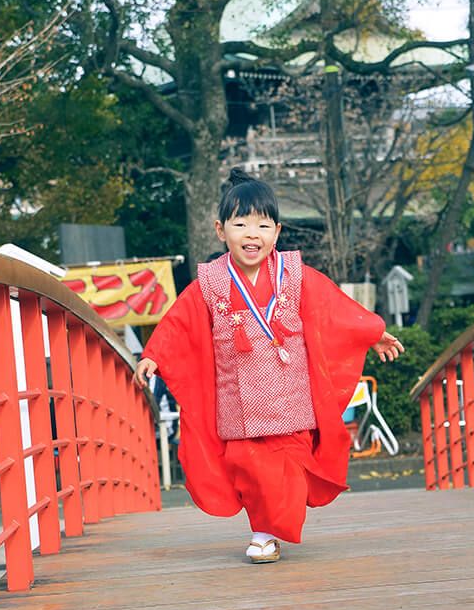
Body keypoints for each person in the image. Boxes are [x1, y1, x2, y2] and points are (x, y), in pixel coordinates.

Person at [134, 168, 404, 563]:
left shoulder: (294, 274)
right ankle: (264, 529)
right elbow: (181, 321)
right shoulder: (209, 282)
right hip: (240, 404)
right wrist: (154, 355)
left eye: (262, 225)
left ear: (276, 232)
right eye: (240, 224)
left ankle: (267, 532)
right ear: (220, 230)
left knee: (287, 468)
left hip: (289, 398)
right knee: (250, 468)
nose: (252, 234)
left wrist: (371, 332)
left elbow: (332, 310)